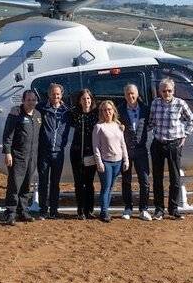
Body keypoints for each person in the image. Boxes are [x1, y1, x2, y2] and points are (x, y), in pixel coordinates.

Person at [147, 78, 193, 220]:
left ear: (173, 90)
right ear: (159, 91)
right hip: (158, 144)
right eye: (164, 91)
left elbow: (192, 120)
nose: (166, 93)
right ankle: (159, 209)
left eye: (169, 90)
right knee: (157, 178)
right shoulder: (155, 103)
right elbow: (150, 123)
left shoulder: (180, 104)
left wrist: (185, 135)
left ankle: (173, 209)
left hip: (174, 145)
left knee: (175, 178)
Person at [1, 89, 42, 226]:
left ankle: (23, 211)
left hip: (32, 156)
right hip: (18, 156)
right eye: (28, 99)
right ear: (23, 100)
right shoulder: (16, 114)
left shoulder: (37, 115)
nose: (31, 102)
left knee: (26, 185)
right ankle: (10, 214)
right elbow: (8, 135)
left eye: (33, 100)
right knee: (15, 185)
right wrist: (7, 152)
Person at [36, 83, 71, 219]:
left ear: (61, 95)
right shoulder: (41, 109)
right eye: (53, 94)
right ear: (49, 95)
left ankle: (54, 210)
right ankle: (43, 210)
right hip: (44, 152)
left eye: (58, 94)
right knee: (43, 182)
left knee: (55, 183)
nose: (55, 96)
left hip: (58, 152)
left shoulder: (67, 111)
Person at [118, 84, 152, 221]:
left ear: (137, 94)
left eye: (132, 93)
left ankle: (143, 209)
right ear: (124, 95)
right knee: (126, 181)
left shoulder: (145, 109)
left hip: (141, 150)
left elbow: (152, 124)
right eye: (127, 94)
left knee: (144, 180)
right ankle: (128, 208)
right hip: (125, 151)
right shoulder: (119, 110)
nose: (130, 96)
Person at [92, 100, 130, 223]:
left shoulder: (118, 125)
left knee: (111, 187)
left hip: (118, 162)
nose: (107, 112)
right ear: (101, 112)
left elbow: (122, 144)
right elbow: (96, 146)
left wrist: (126, 160)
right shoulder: (99, 127)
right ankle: (104, 212)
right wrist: (99, 163)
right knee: (106, 187)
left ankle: (106, 209)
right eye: (104, 110)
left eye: (109, 109)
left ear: (113, 111)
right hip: (106, 162)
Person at [68, 88, 98, 220]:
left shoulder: (96, 114)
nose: (86, 101)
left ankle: (89, 210)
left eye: (88, 98)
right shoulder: (74, 113)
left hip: (91, 153)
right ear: (79, 101)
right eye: (83, 99)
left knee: (89, 183)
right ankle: (80, 210)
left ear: (91, 100)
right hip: (76, 152)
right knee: (79, 183)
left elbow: (111, 117)